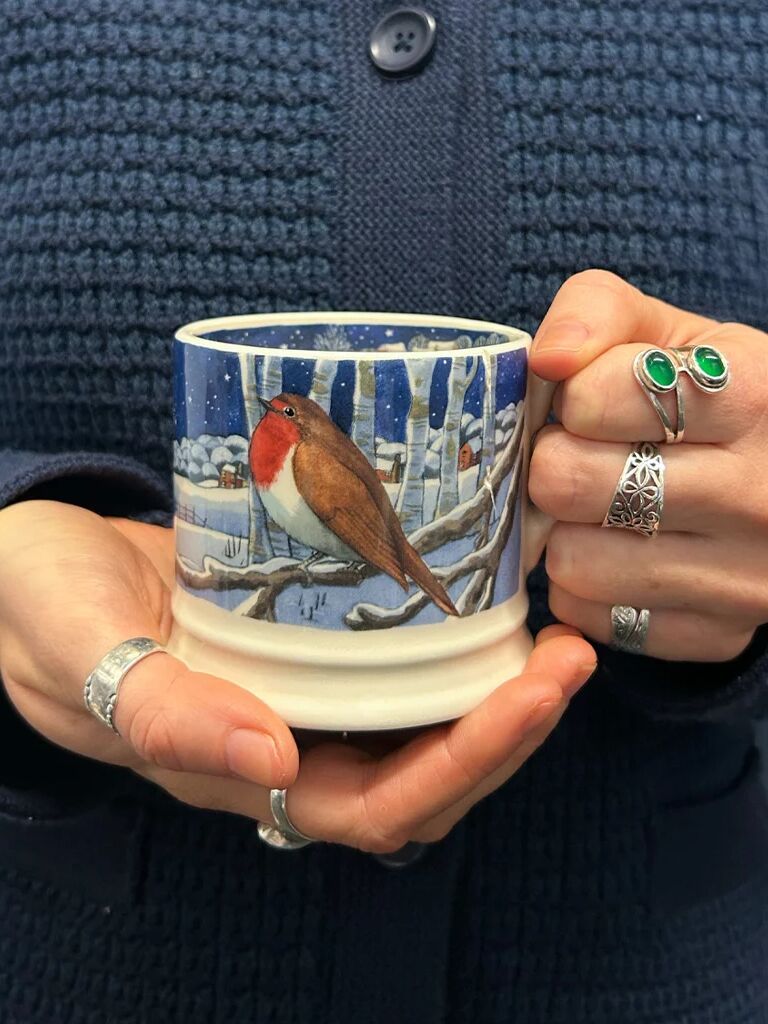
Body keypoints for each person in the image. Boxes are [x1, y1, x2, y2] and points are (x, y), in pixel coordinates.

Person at [1, 2, 766, 1021]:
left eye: (284, 411)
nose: (273, 417)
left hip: (650, 974)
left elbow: (358, 515)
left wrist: (706, 581)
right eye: (271, 410)